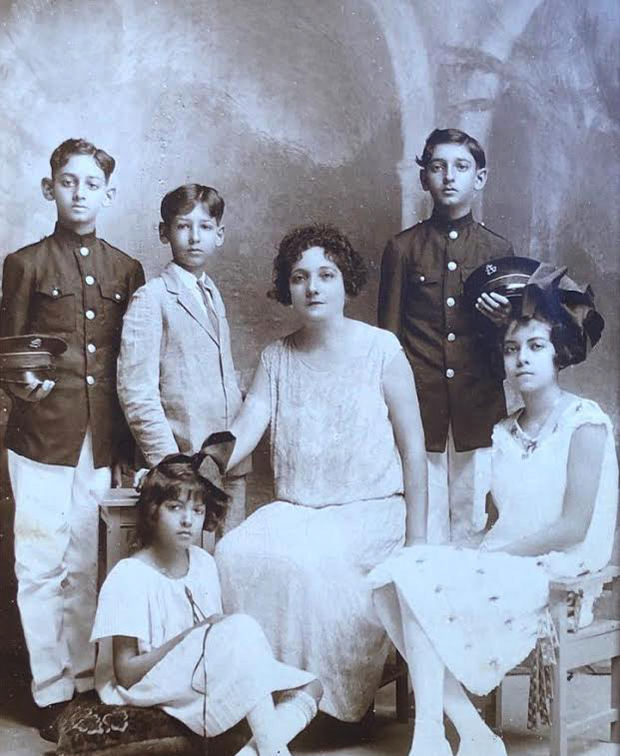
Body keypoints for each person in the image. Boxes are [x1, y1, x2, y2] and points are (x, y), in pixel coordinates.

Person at [369, 259, 617, 756]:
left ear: (560, 354)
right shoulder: (502, 432)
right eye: (511, 350)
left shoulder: (584, 422)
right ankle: (460, 733)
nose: (522, 359)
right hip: (510, 559)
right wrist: (464, 552)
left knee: (417, 583)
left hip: (561, 573)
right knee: (398, 573)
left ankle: (439, 734)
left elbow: (572, 527)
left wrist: (488, 559)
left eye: (535, 347)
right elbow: (497, 526)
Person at [215, 224, 428, 722]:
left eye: (326, 275)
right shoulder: (276, 356)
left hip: (371, 512)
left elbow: (414, 449)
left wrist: (417, 539)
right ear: (286, 288)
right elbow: (247, 424)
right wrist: (204, 461)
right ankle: (256, 693)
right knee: (233, 552)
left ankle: (319, 701)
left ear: (344, 282)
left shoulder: (382, 350)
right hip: (297, 509)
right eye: (299, 277)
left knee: (306, 566)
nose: (312, 287)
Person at [0, 138, 144, 737]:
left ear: (108, 193)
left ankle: (86, 680)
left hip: (100, 440)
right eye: (68, 182)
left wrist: (128, 453)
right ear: (49, 188)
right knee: (39, 563)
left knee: (87, 562)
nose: (79, 192)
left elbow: (131, 369)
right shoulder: (24, 264)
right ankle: (50, 688)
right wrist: (24, 397)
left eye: (91, 183)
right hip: (41, 437)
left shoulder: (125, 269)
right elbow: (6, 356)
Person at [91, 449, 321, 756]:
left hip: (196, 676)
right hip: (150, 684)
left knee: (312, 685)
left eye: (197, 511)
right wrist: (193, 635)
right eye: (175, 508)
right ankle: (273, 750)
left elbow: (216, 648)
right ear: (153, 511)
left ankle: (261, 750)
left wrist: (212, 638)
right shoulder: (129, 575)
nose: (188, 521)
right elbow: (127, 674)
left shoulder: (203, 563)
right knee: (242, 629)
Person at [378, 127, 515, 544]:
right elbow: (387, 340)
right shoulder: (403, 249)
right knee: (423, 516)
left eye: (461, 166)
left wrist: (504, 321)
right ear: (424, 178)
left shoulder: (498, 250)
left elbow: (512, 347)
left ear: (481, 177)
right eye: (438, 167)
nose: (449, 177)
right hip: (420, 407)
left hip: (478, 404)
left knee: (475, 517)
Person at [117, 183, 250, 535]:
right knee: (188, 563)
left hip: (227, 463)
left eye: (205, 227)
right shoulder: (152, 298)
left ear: (219, 235)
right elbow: (137, 392)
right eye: (182, 226)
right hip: (185, 466)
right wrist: (170, 466)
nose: (194, 237)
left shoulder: (211, 292)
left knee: (229, 564)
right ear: (164, 232)